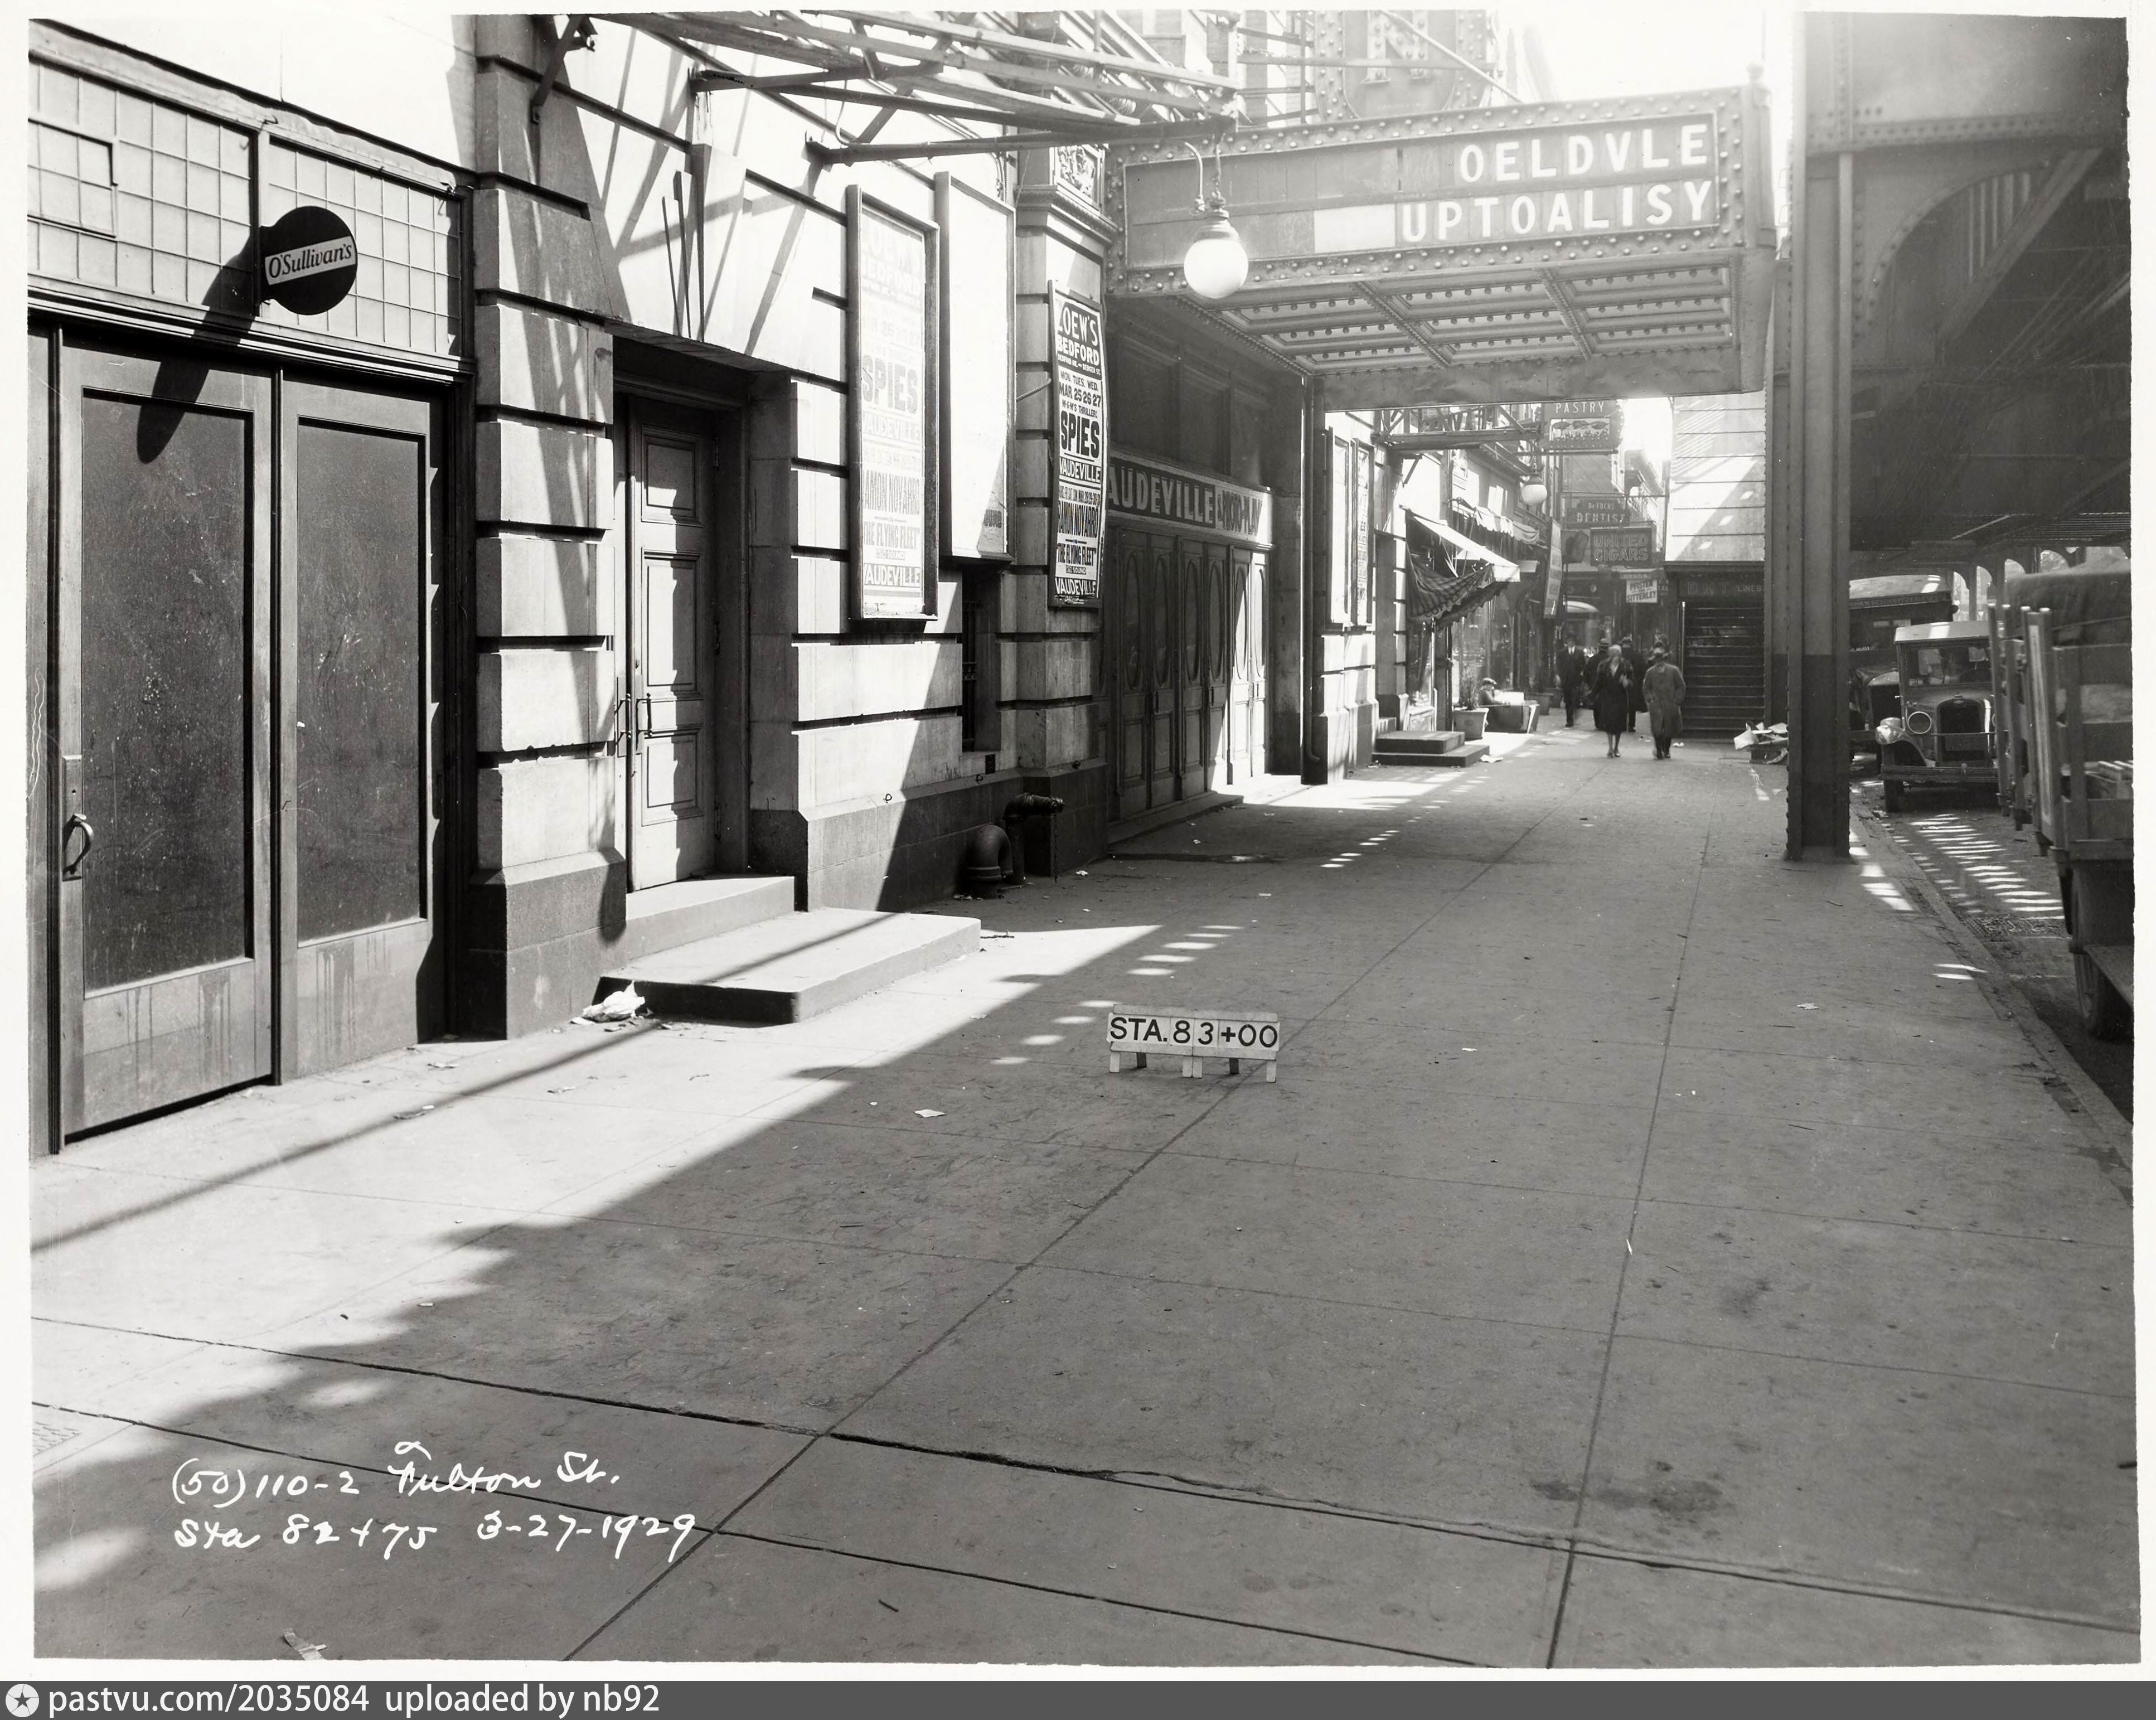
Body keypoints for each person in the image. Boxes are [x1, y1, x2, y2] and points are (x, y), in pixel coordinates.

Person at [1643, 645, 1687, 760]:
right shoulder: (1650, 673)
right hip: (1656, 705)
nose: (1659, 663)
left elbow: (1681, 686)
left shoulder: (1674, 671)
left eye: (1661, 660)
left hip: (1670, 704)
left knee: (1669, 729)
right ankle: (1658, 749)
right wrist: (1650, 699)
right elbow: (1646, 688)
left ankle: (1666, 749)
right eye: (1657, 660)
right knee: (1657, 730)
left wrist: (1677, 701)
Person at [1590, 642, 1631, 758]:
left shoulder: (1626, 666)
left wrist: (1626, 683)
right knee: (1608, 723)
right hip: (1607, 697)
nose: (1617, 657)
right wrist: (1593, 694)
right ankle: (1610, 747)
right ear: (1611, 655)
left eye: (1619, 655)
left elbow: (1632, 682)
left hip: (1620, 698)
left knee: (1618, 724)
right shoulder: (1604, 666)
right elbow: (1599, 682)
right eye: (1615, 655)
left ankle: (1617, 747)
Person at [1619, 635, 1646, 733]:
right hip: (1634, 683)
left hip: (1620, 682)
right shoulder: (1638, 655)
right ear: (1631, 645)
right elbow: (1643, 669)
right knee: (1632, 705)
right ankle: (1631, 725)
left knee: (1621, 703)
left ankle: (1622, 724)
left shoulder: (1619, 655)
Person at [1557, 641, 1587, 726]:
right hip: (1566, 681)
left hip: (1576, 680)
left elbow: (1584, 665)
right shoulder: (1562, 653)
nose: (1571, 643)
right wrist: (1559, 676)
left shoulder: (1580, 653)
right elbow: (1559, 665)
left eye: (1572, 641)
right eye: (1569, 641)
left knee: (1575, 699)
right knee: (1568, 700)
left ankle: (1573, 714)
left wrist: (1582, 674)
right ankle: (1569, 719)